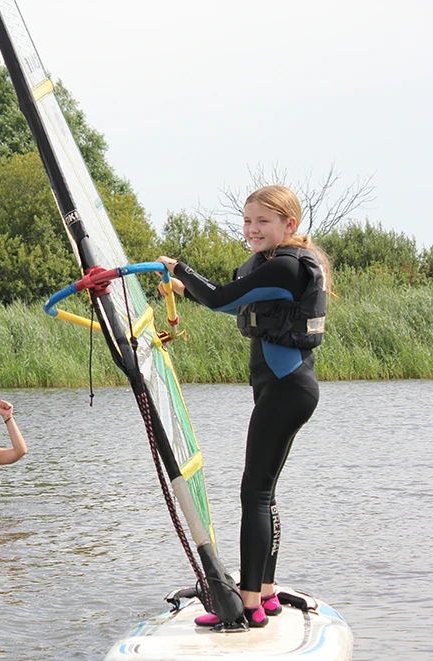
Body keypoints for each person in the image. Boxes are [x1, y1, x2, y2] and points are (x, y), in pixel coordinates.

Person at [156, 185, 331, 629]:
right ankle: (266, 594)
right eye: (248, 221)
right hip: (285, 389)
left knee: (253, 493)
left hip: (286, 391)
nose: (253, 230)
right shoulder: (272, 268)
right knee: (263, 493)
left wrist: (182, 268)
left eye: (263, 222)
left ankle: (248, 605)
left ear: (289, 226)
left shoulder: (289, 267)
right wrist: (184, 287)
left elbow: (218, 296)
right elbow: (232, 302)